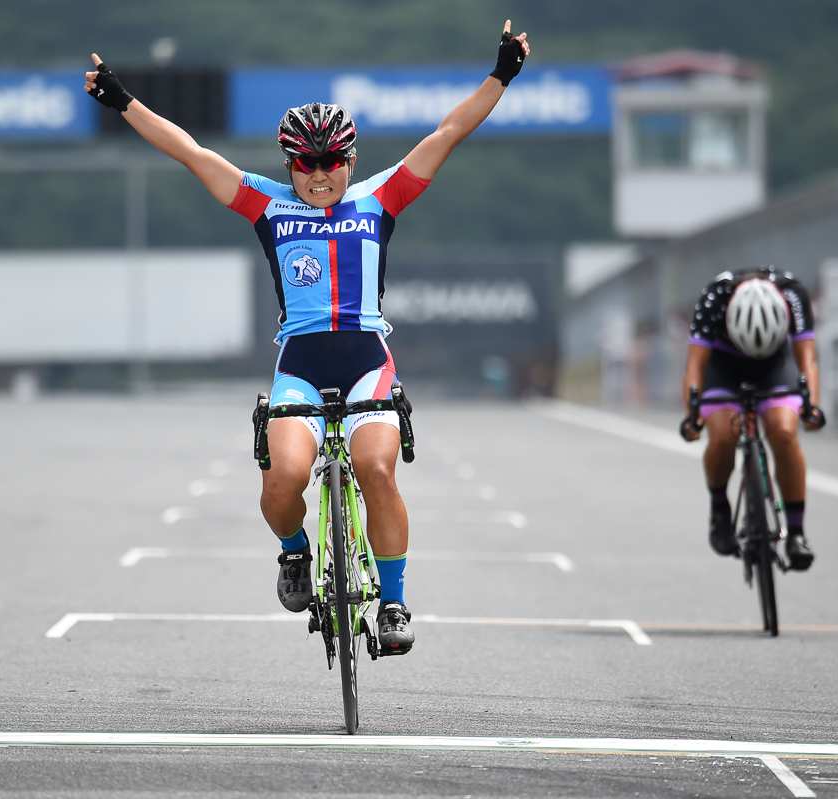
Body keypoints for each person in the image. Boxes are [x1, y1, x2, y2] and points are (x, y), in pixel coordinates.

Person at [86, 21, 531, 654]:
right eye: (306, 164)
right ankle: (296, 554)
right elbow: (188, 150)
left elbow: (450, 131)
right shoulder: (264, 204)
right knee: (281, 483)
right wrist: (122, 100)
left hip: (366, 361)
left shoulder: (382, 197)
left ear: (350, 160)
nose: (320, 175)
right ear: (289, 164)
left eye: (332, 162)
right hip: (298, 363)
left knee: (378, 468)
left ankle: (396, 602)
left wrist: (503, 74)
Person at [680, 268, 824, 570]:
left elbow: (807, 360)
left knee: (784, 432)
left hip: (775, 365)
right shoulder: (713, 298)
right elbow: (694, 367)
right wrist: (692, 417)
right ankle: (719, 507)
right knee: (722, 436)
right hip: (723, 366)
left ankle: (796, 533)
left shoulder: (792, 294)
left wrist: (811, 407)